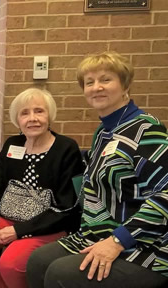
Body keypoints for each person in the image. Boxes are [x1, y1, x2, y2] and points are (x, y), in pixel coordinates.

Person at [26, 52, 168, 288]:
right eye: (89, 82)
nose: (96, 87)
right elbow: (96, 167)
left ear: (125, 84)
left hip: (146, 244)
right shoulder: (104, 132)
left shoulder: (147, 131)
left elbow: (165, 195)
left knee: (61, 274)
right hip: (100, 232)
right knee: (38, 261)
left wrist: (117, 241)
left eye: (105, 80)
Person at [0, 88, 84, 288]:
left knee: (10, 264)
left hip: (46, 223)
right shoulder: (13, 144)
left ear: (50, 115)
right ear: (17, 119)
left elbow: (67, 208)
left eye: (39, 111)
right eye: (25, 113)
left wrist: (18, 231)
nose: (32, 118)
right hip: (8, 216)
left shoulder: (66, 148)